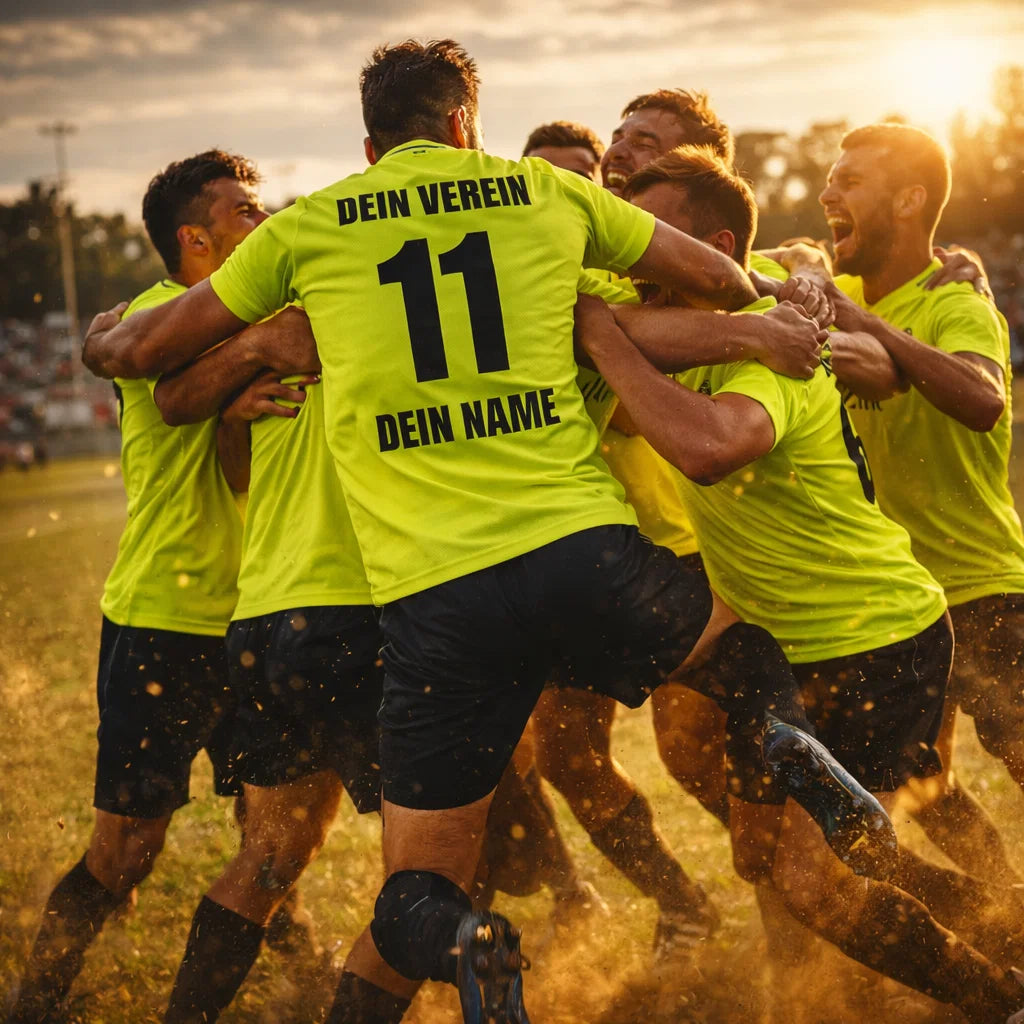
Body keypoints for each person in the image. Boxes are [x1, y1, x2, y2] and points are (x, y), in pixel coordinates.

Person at [81, 40, 893, 1024]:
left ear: (372, 143)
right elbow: (715, 276)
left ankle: (468, 941)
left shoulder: (314, 227)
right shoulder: (540, 196)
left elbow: (140, 353)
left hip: (433, 603)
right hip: (582, 553)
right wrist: (782, 300)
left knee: (414, 885)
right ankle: (782, 743)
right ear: (465, 123)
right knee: (746, 663)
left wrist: (116, 332)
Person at [573, 143, 1024, 1023]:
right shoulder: (716, 302)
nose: (637, 261)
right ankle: (991, 942)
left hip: (876, 636)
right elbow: (771, 265)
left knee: (822, 876)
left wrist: (600, 339)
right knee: (772, 856)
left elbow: (709, 448)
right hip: (787, 653)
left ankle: (999, 992)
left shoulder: (778, 349)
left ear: (710, 247)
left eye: (654, 239)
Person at [8, 150, 320, 1024]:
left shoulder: (267, 315)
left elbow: (242, 470)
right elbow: (177, 394)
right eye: (244, 210)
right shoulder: (153, 318)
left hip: (260, 617)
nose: (261, 219)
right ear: (195, 238)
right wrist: (253, 361)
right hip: (163, 620)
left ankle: (308, 968)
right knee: (127, 853)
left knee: (274, 838)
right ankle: (35, 1001)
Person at [816, 123, 1024, 882]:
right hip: (894, 602)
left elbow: (983, 398)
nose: (827, 192)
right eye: (830, 179)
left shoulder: (955, 303)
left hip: (979, 587)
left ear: (909, 199)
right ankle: (1005, 915)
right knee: (922, 784)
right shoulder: (828, 292)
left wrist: (873, 328)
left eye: (850, 181)